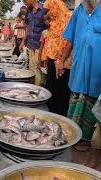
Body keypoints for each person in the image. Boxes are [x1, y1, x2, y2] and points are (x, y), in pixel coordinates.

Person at [60, 0, 101, 152]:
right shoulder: (79, 11)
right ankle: (71, 133)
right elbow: (70, 39)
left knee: (92, 100)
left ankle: (85, 139)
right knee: (76, 97)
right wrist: (62, 60)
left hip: (97, 68)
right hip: (79, 64)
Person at [39, 0, 72, 117]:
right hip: (52, 60)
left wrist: (62, 60)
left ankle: (59, 117)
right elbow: (51, 41)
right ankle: (50, 114)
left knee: (60, 92)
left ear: (56, 6)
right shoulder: (54, 20)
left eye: (49, 9)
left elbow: (69, 41)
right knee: (51, 89)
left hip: (64, 62)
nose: (48, 13)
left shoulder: (69, 18)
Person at [21, 0, 48, 86]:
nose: (24, 3)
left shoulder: (45, 9)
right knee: (32, 70)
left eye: (25, 1)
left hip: (41, 47)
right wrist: (23, 41)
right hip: (30, 45)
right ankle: (33, 89)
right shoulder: (28, 11)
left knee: (39, 70)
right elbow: (27, 27)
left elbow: (49, 29)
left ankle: (39, 90)